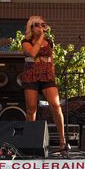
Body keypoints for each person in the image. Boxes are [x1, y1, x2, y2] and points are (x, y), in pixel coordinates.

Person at [21, 15, 68, 154]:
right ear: (31, 27)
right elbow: (32, 54)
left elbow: (50, 59)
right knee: (31, 108)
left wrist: (53, 74)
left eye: (43, 24)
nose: (41, 27)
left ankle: (62, 140)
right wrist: (41, 38)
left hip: (47, 75)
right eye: (38, 25)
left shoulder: (49, 42)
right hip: (31, 75)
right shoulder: (26, 41)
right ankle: (30, 140)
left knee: (56, 105)